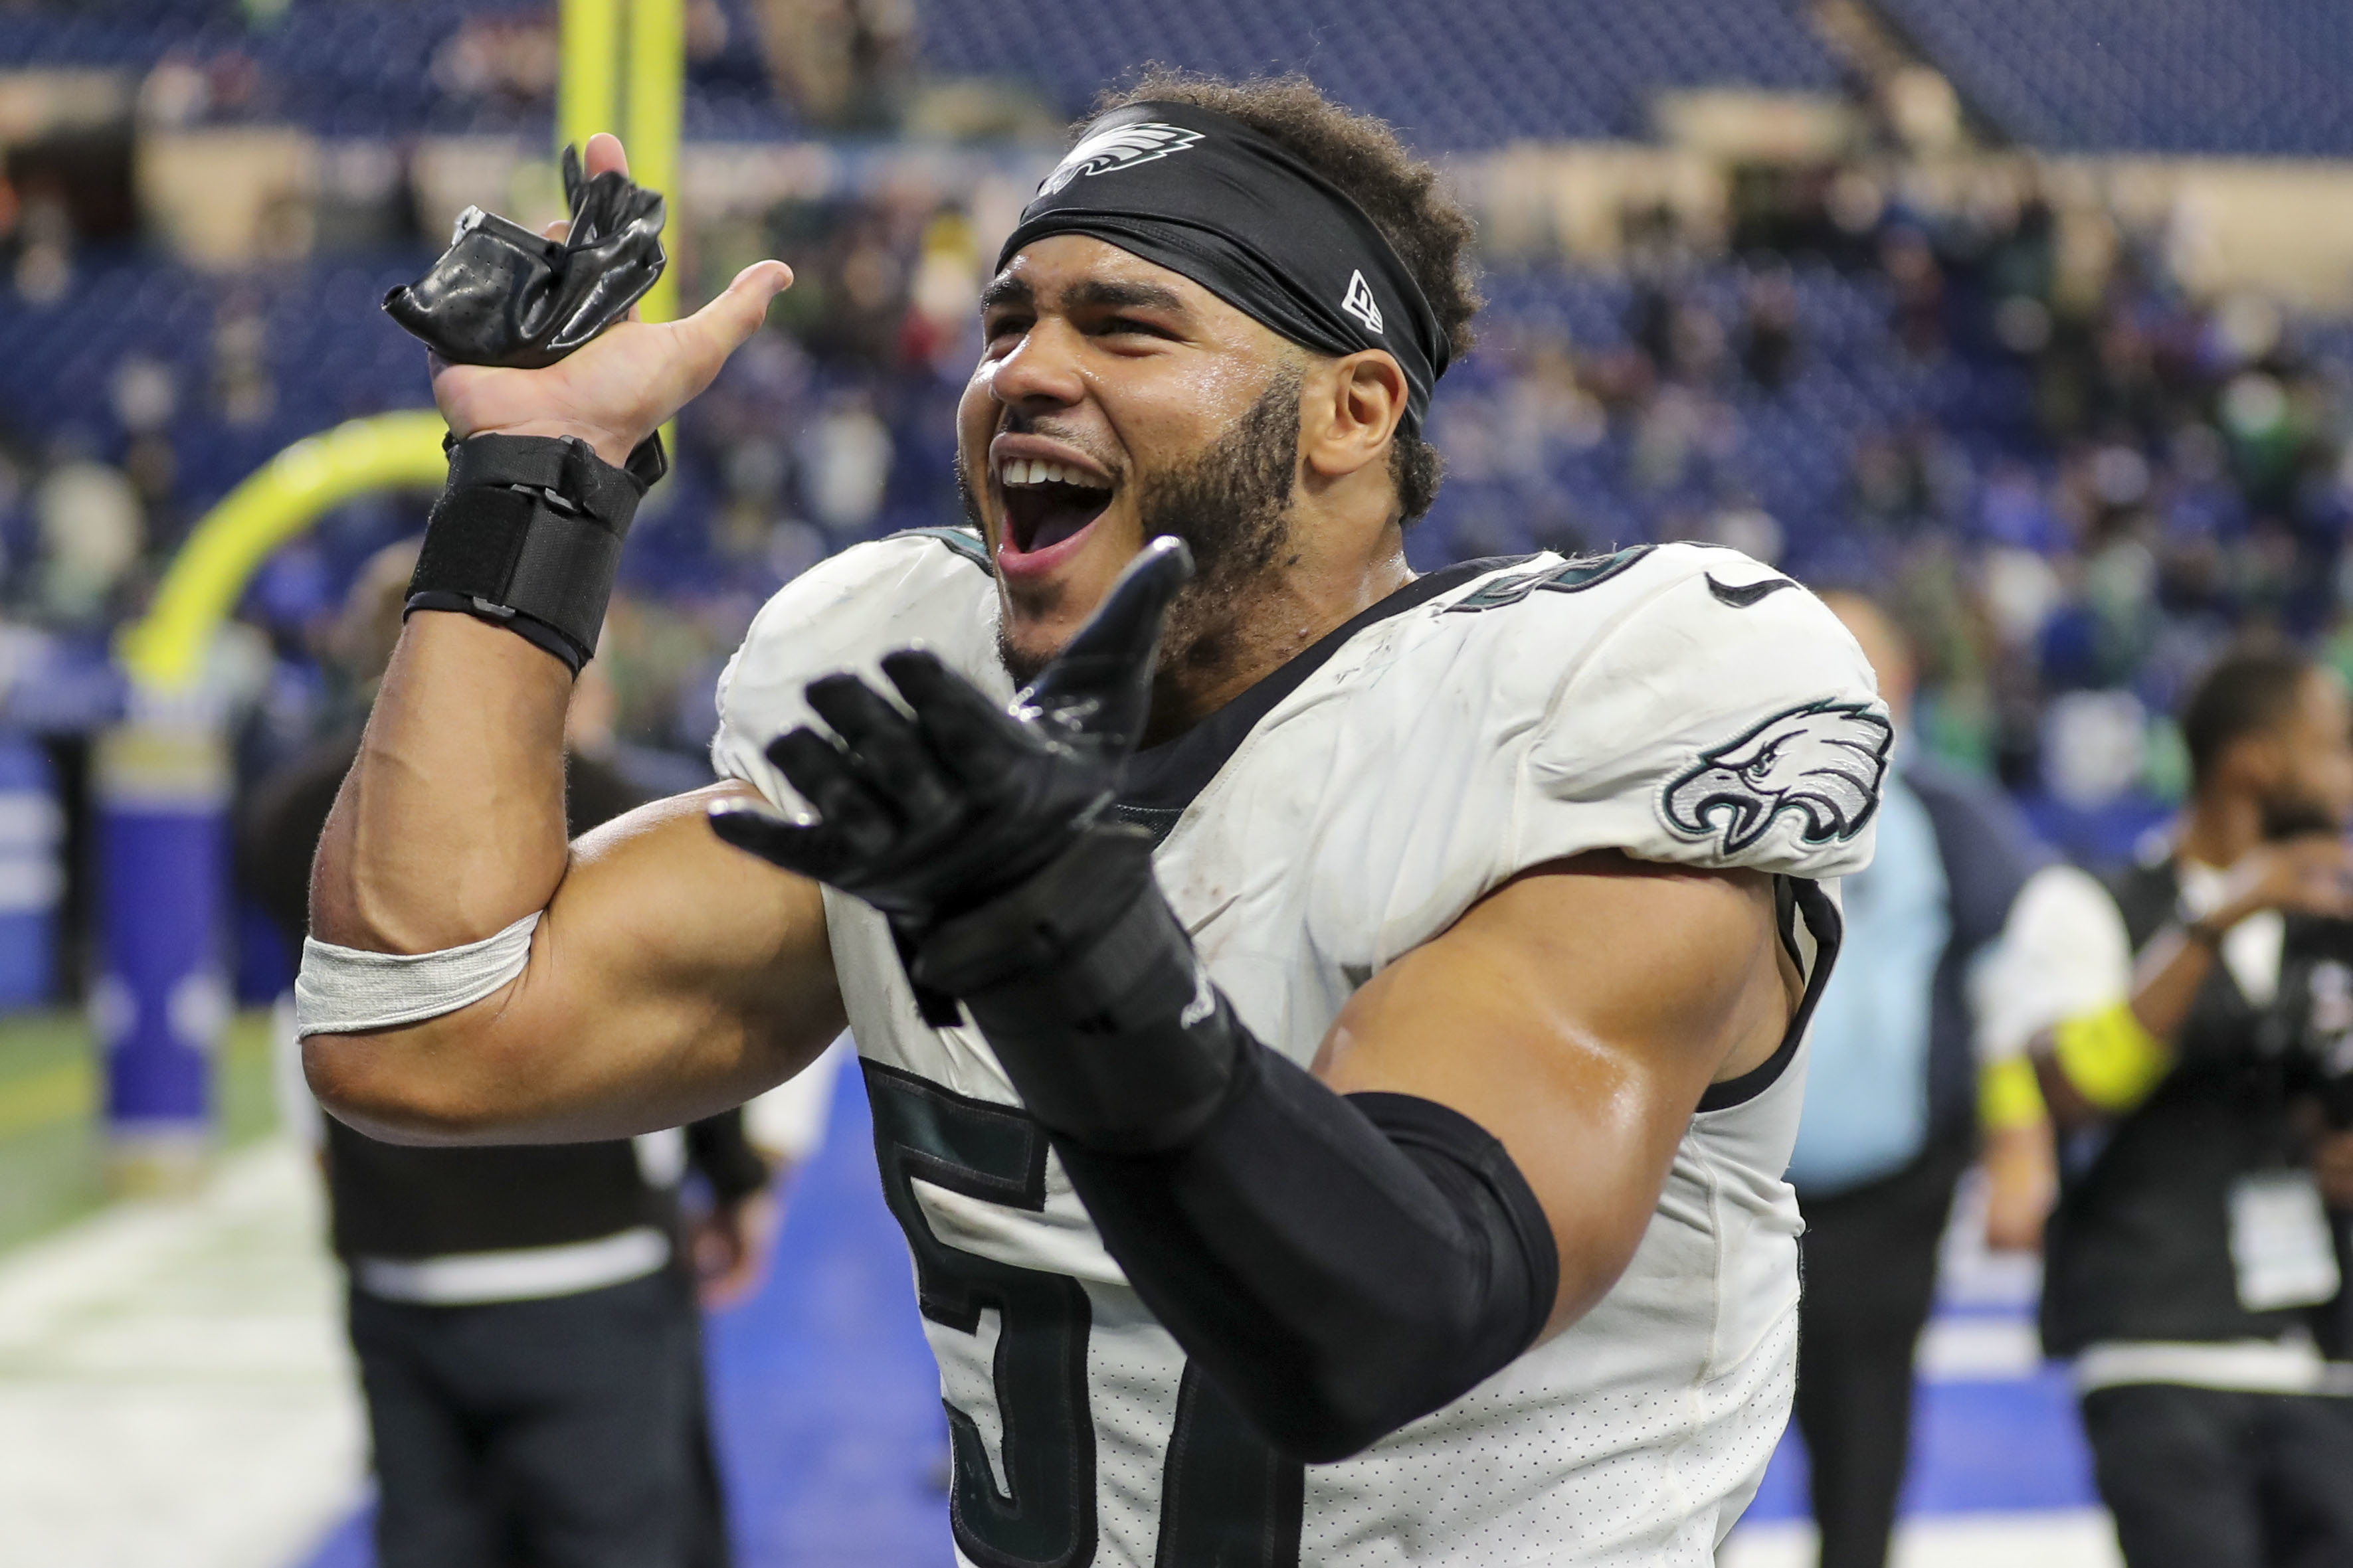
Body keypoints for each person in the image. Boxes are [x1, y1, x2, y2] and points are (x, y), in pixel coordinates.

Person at [298, 75, 1887, 1563]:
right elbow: (423, 1028)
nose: (1024, 372)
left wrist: (1063, 940)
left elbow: (1383, 1321)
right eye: (1006, 322)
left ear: (1352, 410)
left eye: (1126, 324)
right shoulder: (935, 691)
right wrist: (536, 480)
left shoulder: (1580, 711)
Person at [239, 541, 780, 1568]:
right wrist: (736, 1179)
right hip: (586, 1266)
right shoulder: (613, 800)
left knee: (428, 1538)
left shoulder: (284, 820)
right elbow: (677, 1036)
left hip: (395, 1267)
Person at [1982, 644, 2353, 1568]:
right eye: (2334, 746)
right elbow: (2073, 1089)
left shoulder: (2337, 919)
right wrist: (2213, 922)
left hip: (2330, 1353)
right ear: (2253, 763)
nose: (2349, 774)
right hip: (2162, 1345)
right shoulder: (2084, 904)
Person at [1784, 593, 2046, 1568]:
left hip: (1888, 1196)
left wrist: (2017, 1151)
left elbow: (2012, 987)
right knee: (1689, 1450)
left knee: (1862, 1435)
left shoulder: (1947, 814)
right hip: (1718, 1188)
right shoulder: (1710, 799)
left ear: (1900, 682)